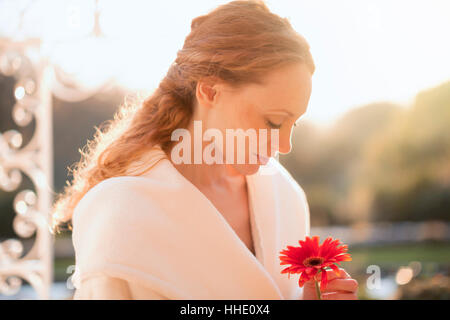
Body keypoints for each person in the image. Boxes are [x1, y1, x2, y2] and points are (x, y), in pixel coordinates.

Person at [52, 0, 358, 300]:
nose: (284, 145)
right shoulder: (122, 214)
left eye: (295, 123)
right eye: (274, 121)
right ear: (209, 91)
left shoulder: (286, 196)